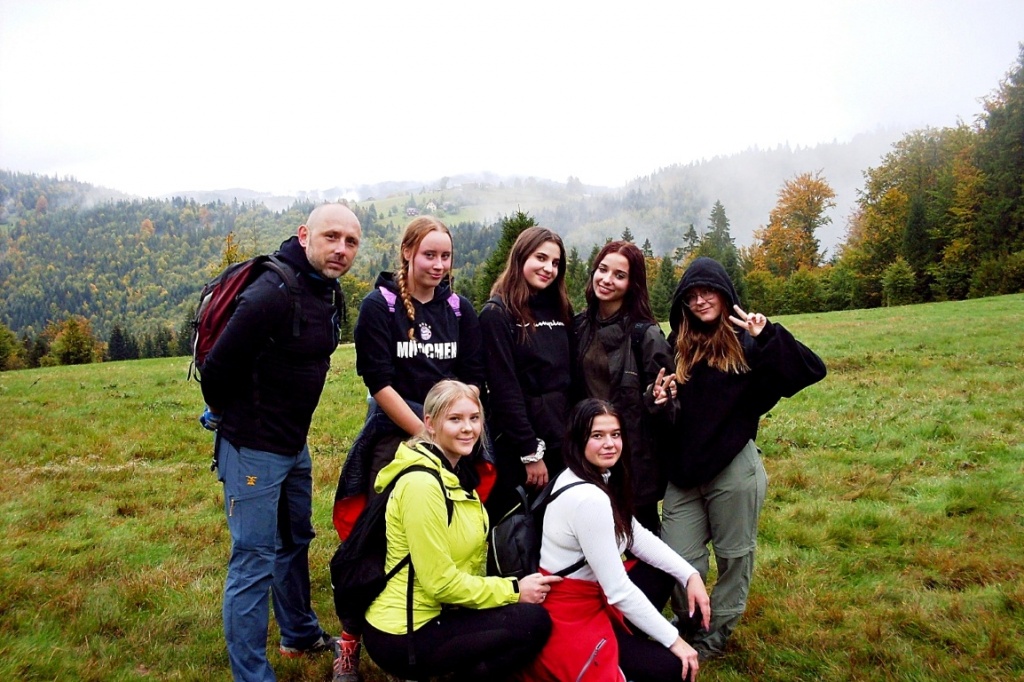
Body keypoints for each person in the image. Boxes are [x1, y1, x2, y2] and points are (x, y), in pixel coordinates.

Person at [199, 203, 361, 682]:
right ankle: (252, 675)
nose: (341, 249)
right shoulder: (271, 292)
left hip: (293, 445)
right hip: (253, 447)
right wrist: (236, 421)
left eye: (351, 242)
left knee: (294, 540)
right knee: (253, 559)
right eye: (331, 237)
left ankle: (299, 634)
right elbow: (217, 372)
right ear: (304, 235)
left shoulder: (324, 290)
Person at [333, 215, 487, 681]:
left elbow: (472, 376)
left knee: (457, 527)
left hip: (453, 434)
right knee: (375, 540)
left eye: (446, 256)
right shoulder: (379, 307)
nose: (438, 265)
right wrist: (425, 434)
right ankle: (350, 640)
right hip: (397, 432)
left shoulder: (458, 310)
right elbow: (379, 382)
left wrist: (455, 430)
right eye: (429, 255)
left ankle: (449, 614)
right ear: (407, 253)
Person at [652, 256, 826, 659]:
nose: (700, 301)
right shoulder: (674, 345)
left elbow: (809, 370)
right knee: (677, 557)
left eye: (708, 292)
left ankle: (714, 636)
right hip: (684, 473)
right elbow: (664, 406)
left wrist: (768, 336)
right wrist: (658, 401)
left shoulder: (747, 343)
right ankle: (690, 621)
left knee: (734, 557)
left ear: (725, 294)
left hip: (733, 467)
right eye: (692, 295)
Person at [361, 380, 558, 681]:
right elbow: (439, 584)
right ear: (430, 423)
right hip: (406, 632)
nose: (468, 428)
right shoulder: (422, 485)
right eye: (455, 419)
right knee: (532, 623)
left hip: (443, 611)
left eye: (474, 418)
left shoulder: (454, 471)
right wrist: (514, 591)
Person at [523, 399, 710, 682]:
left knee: (661, 571)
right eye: (597, 435)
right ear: (578, 440)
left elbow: (635, 536)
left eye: (615, 434)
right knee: (675, 669)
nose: (609, 444)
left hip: (591, 596)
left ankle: (631, 641)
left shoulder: (590, 476)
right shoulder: (589, 498)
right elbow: (618, 590)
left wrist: (689, 574)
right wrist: (675, 641)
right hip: (571, 615)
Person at [573, 240, 674, 533]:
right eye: (603, 269)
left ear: (632, 284)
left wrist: (658, 400)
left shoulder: (646, 334)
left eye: (619, 275)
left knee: (639, 537)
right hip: (587, 453)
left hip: (633, 460)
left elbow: (669, 405)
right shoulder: (578, 326)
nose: (607, 279)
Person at [479, 226, 574, 521]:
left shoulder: (560, 310)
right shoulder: (497, 314)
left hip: (563, 440)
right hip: (521, 447)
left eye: (555, 263)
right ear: (521, 257)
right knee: (521, 529)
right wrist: (530, 452)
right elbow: (504, 389)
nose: (548, 268)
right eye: (540, 258)